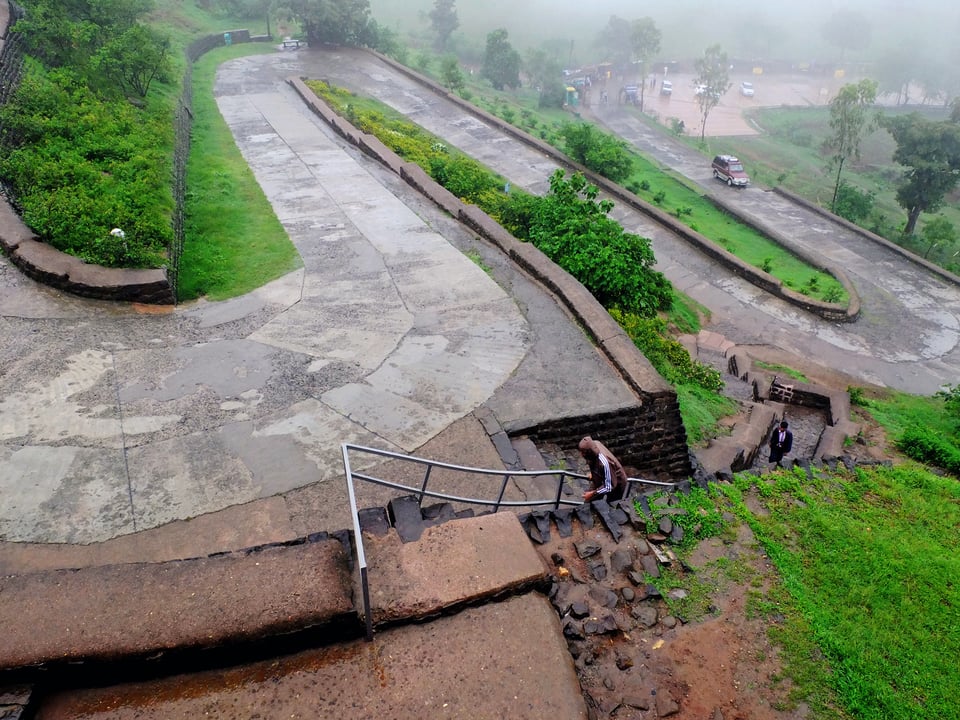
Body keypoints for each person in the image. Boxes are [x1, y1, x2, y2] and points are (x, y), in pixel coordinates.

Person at [578, 436, 628, 503]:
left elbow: (609, 486)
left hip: (616, 484)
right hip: (601, 476)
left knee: (612, 504)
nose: (581, 454)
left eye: (583, 452)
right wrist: (594, 473)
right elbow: (593, 462)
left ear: (589, 452)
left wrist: (593, 493)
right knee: (589, 501)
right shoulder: (594, 444)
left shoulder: (604, 463)